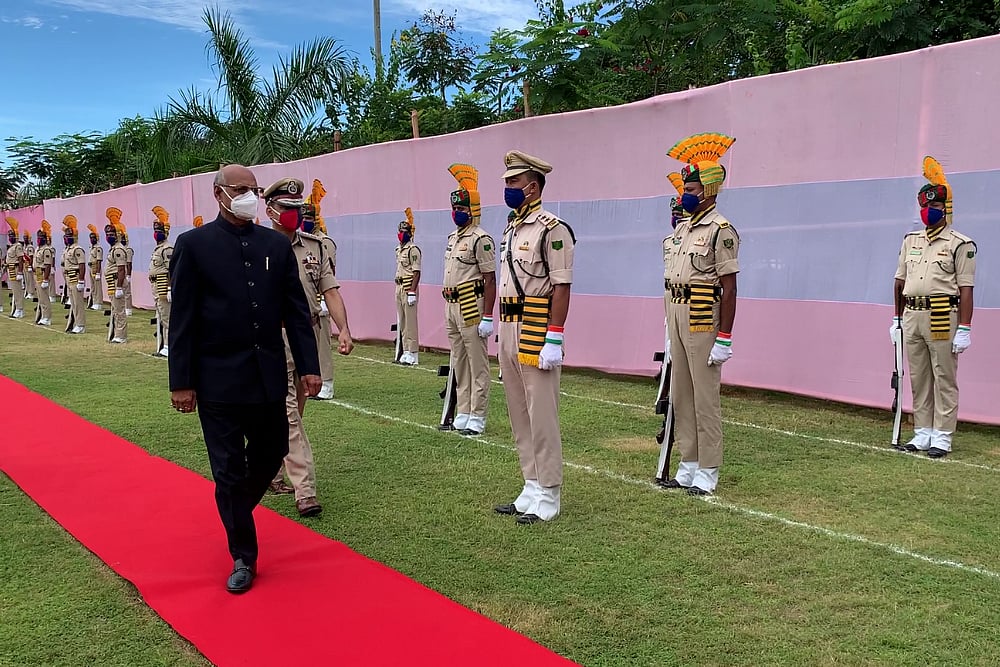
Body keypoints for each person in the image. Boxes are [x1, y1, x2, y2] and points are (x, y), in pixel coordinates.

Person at [169, 164, 321, 593]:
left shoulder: (274, 243)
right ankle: (243, 555)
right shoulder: (193, 246)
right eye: (241, 189)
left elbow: (295, 311)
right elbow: (182, 318)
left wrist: (310, 367)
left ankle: (235, 507)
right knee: (229, 469)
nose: (250, 197)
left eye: (254, 190)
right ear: (218, 193)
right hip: (216, 379)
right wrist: (180, 381)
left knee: (272, 451)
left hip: (267, 375)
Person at [261, 177, 354, 516]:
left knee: (296, 409)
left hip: (310, 335)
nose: (294, 215)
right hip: (274, 336)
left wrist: (343, 329)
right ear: (270, 209)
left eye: (298, 209)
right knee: (287, 409)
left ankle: (269, 469)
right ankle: (305, 489)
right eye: (287, 209)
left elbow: (330, 289)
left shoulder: (315, 246)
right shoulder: (257, 246)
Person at [493, 151, 575, 524]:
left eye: (513, 182)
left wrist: (554, 337)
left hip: (535, 325)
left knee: (541, 412)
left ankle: (551, 490)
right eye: (507, 181)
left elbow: (561, 285)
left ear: (533, 185)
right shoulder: (512, 227)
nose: (508, 188)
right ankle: (531, 483)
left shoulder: (551, 228)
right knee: (518, 410)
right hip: (508, 325)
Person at [660, 132, 740, 496]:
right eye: (684, 189)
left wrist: (724, 337)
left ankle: (709, 467)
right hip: (675, 312)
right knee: (681, 392)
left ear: (708, 192)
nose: (684, 194)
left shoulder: (720, 231)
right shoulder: (682, 229)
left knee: (705, 395)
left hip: (702, 316)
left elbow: (730, 286)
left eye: (691, 189)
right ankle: (688, 460)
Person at [892, 156, 976, 458]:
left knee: (943, 376)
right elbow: (899, 282)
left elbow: (966, 289)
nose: (929, 212)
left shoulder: (959, 244)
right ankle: (923, 431)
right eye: (925, 207)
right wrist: (896, 318)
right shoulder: (910, 240)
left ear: (946, 209)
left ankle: (942, 434)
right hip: (912, 314)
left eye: (935, 207)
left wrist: (964, 327)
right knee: (919, 375)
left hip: (942, 313)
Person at [442, 163, 496, 436]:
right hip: (450, 304)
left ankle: (478, 413)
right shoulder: (453, 237)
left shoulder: (481, 239)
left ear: (473, 211)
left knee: (477, 362)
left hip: (470, 303)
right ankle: (463, 409)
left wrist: (488, 316)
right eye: (455, 209)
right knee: (458, 360)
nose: (457, 213)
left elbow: (489, 278)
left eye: (462, 209)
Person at [300, 183, 337, 399]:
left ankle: (328, 382)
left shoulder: (323, 243)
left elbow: (328, 272)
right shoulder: (301, 241)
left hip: (319, 301)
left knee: (323, 345)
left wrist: (323, 299)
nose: (305, 221)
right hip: (303, 303)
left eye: (309, 218)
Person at [394, 207, 422, 365]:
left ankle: (413, 352)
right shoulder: (398, 249)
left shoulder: (413, 250)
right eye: (399, 231)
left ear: (410, 233)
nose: (401, 233)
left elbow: (416, 272)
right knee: (402, 321)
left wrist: (412, 291)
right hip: (398, 286)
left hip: (408, 287)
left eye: (404, 231)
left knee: (410, 321)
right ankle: (405, 351)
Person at [149, 206, 174, 357]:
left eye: (159, 231)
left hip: (164, 285)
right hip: (155, 285)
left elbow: (171, 269)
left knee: (167, 317)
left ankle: (168, 346)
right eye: (155, 230)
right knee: (160, 315)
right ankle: (163, 345)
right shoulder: (158, 248)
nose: (157, 233)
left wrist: (170, 288)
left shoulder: (167, 248)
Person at [104, 209, 129, 343]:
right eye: (107, 233)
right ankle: (116, 333)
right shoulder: (113, 248)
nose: (109, 235)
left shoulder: (119, 249)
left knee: (119, 310)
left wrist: (119, 287)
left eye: (111, 233)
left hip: (116, 282)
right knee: (115, 308)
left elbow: (121, 269)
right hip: (111, 282)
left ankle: (121, 335)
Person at [61, 215, 88, 334]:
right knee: (73, 302)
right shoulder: (67, 249)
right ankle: (76, 322)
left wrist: (81, 281)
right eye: (66, 236)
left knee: (78, 303)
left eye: (69, 236)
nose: (67, 238)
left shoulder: (78, 249)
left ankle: (80, 325)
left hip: (75, 277)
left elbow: (82, 265)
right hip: (69, 277)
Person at [31, 221, 55, 326]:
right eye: (38, 236)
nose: (39, 238)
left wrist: (45, 279)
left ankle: (47, 317)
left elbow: (48, 265)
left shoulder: (46, 250)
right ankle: (42, 315)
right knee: (40, 297)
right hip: (37, 273)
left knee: (44, 297)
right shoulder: (38, 249)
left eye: (41, 236)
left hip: (42, 274)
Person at [5, 217, 26, 318]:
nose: (10, 237)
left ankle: (20, 309)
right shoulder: (11, 246)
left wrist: (20, 272)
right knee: (14, 289)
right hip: (11, 269)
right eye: (9, 235)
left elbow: (21, 259)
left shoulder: (17, 246)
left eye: (12, 235)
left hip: (16, 269)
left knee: (17, 290)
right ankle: (17, 308)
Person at [87, 224, 105, 310]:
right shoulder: (91, 247)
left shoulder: (98, 248)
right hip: (90, 267)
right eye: (91, 238)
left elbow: (99, 261)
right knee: (93, 286)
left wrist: (98, 272)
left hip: (95, 267)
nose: (92, 239)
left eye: (94, 237)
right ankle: (94, 301)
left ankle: (98, 302)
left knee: (97, 286)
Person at [122, 229, 135, 317]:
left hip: (126, 271)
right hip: (119, 271)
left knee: (127, 291)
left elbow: (129, 263)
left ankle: (128, 308)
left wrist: (129, 275)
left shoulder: (128, 250)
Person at [22, 232, 36, 301]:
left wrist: (30, 266)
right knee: (26, 279)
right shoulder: (25, 246)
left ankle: (31, 292)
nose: (25, 239)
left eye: (26, 238)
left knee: (30, 280)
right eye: (24, 238)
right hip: (25, 264)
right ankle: (27, 291)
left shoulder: (30, 247)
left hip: (28, 264)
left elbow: (31, 257)